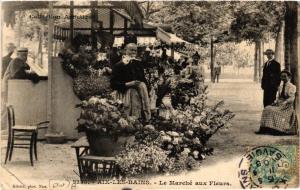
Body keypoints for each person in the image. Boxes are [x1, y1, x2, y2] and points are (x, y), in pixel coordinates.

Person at [110, 43, 151, 121]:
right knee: (127, 120)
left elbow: (143, 79)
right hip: (125, 95)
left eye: (135, 50)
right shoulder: (119, 65)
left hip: (139, 96)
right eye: (131, 50)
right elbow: (113, 84)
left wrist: (146, 88)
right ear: (125, 50)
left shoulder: (138, 64)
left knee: (138, 120)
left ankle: (145, 117)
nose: (134, 52)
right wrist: (128, 84)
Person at [257, 70, 297, 135]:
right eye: (281, 77)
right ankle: (266, 129)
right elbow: (278, 97)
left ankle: (276, 130)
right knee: (267, 108)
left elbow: (292, 98)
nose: (283, 78)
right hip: (279, 104)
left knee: (272, 110)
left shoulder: (292, 87)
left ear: (289, 77)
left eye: (285, 76)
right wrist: (275, 102)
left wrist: (286, 102)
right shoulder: (280, 86)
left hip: (287, 107)